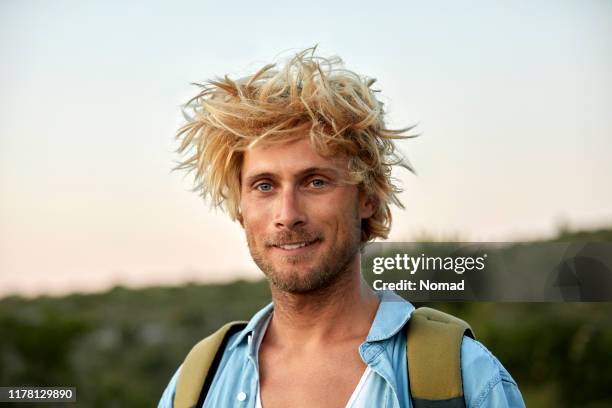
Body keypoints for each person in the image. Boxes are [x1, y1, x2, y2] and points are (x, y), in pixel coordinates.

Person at [158, 47, 525, 407]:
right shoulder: (198, 385)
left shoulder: (465, 376)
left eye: (315, 181)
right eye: (264, 186)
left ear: (366, 197)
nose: (288, 214)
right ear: (241, 206)